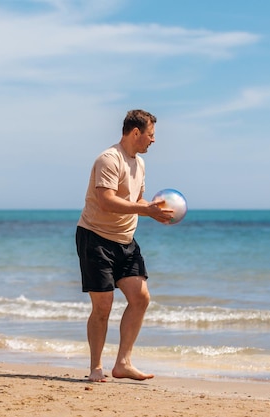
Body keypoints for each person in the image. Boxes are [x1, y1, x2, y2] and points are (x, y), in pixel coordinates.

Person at [75, 109, 174, 382]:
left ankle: (123, 363)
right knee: (103, 306)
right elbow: (107, 200)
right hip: (95, 238)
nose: (153, 141)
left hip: (126, 241)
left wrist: (157, 211)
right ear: (135, 133)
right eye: (150, 135)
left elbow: (137, 200)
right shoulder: (109, 159)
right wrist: (145, 211)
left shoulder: (139, 164)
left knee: (140, 298)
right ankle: (96, 367)